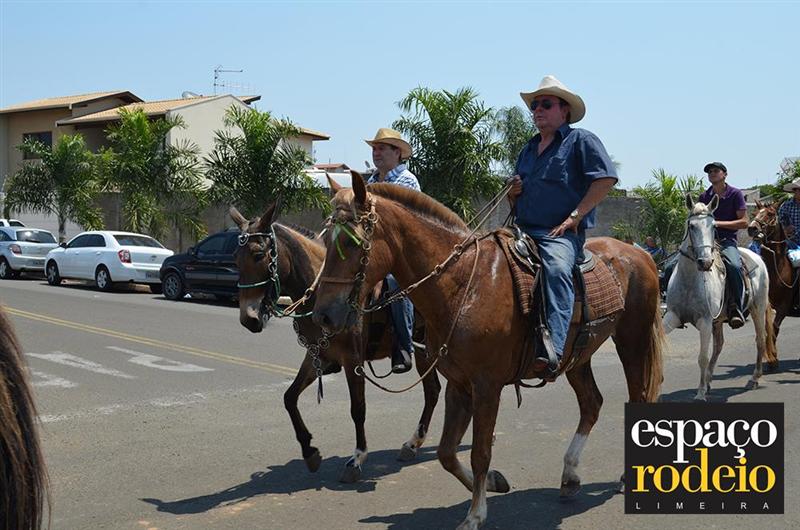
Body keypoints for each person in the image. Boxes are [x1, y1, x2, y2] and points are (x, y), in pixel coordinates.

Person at [508, 75, 618, 377]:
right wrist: (513, 193)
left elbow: (605, 179)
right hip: (522, 230)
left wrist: (575, 217)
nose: (537, 110)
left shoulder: (581, 140)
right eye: (534, 105)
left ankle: (553, 348)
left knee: (556, 269)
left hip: (558, 234)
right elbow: (516, 200)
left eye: (545, 104)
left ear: (564, 110)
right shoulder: (528, 149)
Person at [365, 128, 419, 374]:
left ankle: (403, 347)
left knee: (396, 284)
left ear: (397, 153)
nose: (376, 153)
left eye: (381, 148)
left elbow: (400, 226)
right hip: (374, 251)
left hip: (401, 254)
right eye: (374, 149)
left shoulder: (407, 181)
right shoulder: (371, 182)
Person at [699, 161, 748, 328]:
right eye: (709, 172)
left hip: (727, 241)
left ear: (725, 174)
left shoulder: (735, 194)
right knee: (673, 265)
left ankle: (736, 308)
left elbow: (744, 222)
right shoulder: (704, 197)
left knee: (734, 266)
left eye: (715, 171)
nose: (712, 173)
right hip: (706, 243)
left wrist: (717, 224)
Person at [778, 178, 800, 248]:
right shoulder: (785, 206)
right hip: (791, 242)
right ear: (794, 191)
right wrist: (785, 229)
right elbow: (780, 224)